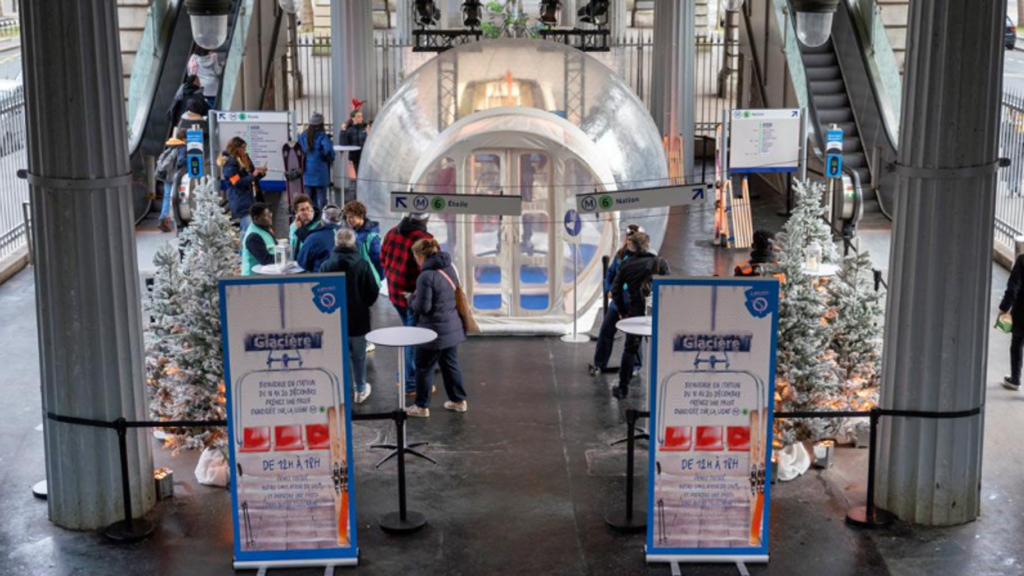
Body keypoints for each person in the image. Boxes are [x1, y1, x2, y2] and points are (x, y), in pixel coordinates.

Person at [405, 238, 468, 417]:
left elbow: (423, 307)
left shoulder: (425, 276)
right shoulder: (450, 267)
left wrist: (410, 300)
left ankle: (421, 406)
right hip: (452, 326)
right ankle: (458, 401)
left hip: (431, 331)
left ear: (420, 256)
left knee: (423, 368)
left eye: (415, 256)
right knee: (450, 364)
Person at [319, 228, 379, 403]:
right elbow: (373, 292)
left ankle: (341, 392)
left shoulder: (326, 265)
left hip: (334, 321)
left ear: (336, 243)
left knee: (339, 357)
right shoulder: (362, 265)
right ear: (354, 243)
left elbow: (318, 293)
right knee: (359, 357)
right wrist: (364, 304)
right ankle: (360, 389)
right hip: (359, 320)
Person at [611, 232, 670, 400]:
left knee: (630, 349)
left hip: (636, 313)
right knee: (662, 349)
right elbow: (671, 289)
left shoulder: (626, 265)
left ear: (632, 246)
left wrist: (623, 311)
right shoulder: (660, 263)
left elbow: (615, 291)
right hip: (659, 314)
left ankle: (623, 388)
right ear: (648, 244)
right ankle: (664, 390)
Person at [381, 212, 434, 395]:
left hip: (395, 294)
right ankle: (409, 382)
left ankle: (407, 373)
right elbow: (431, 271)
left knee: (410, 334)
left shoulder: (392, 232)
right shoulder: (425, 240)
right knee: (412, 340)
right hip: (413, 297)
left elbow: (382, 259)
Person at [589, 224, 644, 376]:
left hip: (634, 302)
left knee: (634, 335)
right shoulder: (620, 255)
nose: (629, 241)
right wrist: (609, 290)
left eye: (633, 238)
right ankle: (599, 364)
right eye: (629, 237)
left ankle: (635, 366)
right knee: (606, 330)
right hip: (617, 301)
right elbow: (611, 273)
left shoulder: (645, 258)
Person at [219, 136, 267, 234]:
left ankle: (247, 248)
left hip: (252, 198)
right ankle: (243, 249)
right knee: (247, 230)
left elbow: (252, 175)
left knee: (251, 230)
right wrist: (253, 175)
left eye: (245, 147)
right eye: (242, 147)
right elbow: (236, 182)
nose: (244, 150)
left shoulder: (245, 158)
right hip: (241, 200)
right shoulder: (229, 163)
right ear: (235, 148)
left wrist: (260, 173)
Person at [299, 112, 335, 210]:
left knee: (308, 199)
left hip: (307, 172)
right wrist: (329, 157)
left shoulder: (303, 135)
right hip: (320, 172)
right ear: (321, 124)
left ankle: (309, 218)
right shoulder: (322, 136)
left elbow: (299, 149)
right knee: (322, 201)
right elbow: (328, 150)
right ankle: (320, 220)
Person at [343, 200, 384, 283]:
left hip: (367, 281)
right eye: (347, 217)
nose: (348, 220)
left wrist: (377, 280)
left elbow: (378, 261)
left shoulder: (371, 236)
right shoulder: (354, 230)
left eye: (352, 217)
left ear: (361, 216)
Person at [1000, 253, 1024, 390]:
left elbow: (1013, 287)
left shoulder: (1022, 260)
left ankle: (1015, 379)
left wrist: (1004, 306)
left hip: (1021, 312)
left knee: (1017, 343)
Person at [156, 129, 187, 233]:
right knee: (174, 198)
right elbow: (181, 161)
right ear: (184, 138)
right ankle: (175, 220)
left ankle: (163, 218)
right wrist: (192, 159)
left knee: (167, 197)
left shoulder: (171, 144)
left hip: (167, 175)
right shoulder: (182, 147)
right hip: (174, 176)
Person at [297, 204, 343, 273]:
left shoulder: (313, 238)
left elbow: (302, 262)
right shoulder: (352, 235)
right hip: (347, 281)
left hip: (323, 281)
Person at [241, 203, 276, 276]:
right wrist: (285, 258)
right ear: (256, 219)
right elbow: (266, 260)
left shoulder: (264, 228)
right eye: (266, 215)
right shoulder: (253, 237)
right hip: (252, 279)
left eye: (270, 214)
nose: (270, 217)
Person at [289, 194, 321, 260]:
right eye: (302, 210)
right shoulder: (292, 226)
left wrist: (300, 230)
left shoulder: (319, 225)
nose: (306, 212)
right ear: (296, 212)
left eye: (308, 208)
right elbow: (292, 246)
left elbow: (312, 246)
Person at [339, 105, 370, 174]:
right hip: (355, 158)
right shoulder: (349, 129)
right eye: (358, 117)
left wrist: (369, 133)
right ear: (353, 118)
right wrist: (343, 131)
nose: (361, 118)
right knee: (358, 175)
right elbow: (343, 144)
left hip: (366, 157)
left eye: (361, 116)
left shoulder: (366, 127)